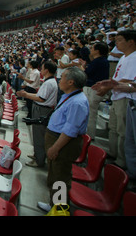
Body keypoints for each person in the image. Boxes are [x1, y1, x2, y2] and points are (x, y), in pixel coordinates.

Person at [37, 67, 89, 213]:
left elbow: (70, 130)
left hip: (63, 144)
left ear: (71, 82)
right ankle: (54, 204)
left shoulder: (77, 103)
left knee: (60, 178)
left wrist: (55, 147)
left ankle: (59, 211)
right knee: (54, 175)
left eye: (63, 77)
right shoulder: (69, 96)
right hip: (56, 139)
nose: (60, 79)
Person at [92, 30, 136, 169]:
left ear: (131, 42)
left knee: (123, 132)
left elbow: (129, 80)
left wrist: (108, 86)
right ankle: (113, 152)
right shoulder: (124, 57)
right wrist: (108, 83)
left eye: (120, 40)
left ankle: (122, 162)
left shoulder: (134, 58)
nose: (116, 43)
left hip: (126, 97)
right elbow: (117, 78)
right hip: (117, 95)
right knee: (114, 128)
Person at [17, 60, 58, 168]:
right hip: (42, 108)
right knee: (37, 134)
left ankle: (39, 160)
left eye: (42, 68)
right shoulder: (49, 81)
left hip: (42, 109)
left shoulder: (49, 83)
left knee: (39, 135)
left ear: (47, 70)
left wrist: (26, 94)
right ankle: (37, 154)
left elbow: (41, 98)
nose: (41, 71)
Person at [80, 42, 109, 140]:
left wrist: (82, 67)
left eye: (92, 48)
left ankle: (89, 136)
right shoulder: (101, 61)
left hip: (93, 89)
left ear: (97, 51)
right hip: (93, 88)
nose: (90, 50)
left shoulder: (99, 61)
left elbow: (86, 73)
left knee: (90, 114)